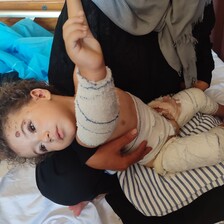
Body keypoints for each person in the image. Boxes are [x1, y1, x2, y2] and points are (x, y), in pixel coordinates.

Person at [35, 0, 224, 223]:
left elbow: (201, 53)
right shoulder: (89, 8)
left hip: (161, 105)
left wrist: (190, 94)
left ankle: (127, 171)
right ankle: (117, 174)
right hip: (99, 120)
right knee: (58, 181)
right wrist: (92, 157)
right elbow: (63, 95)